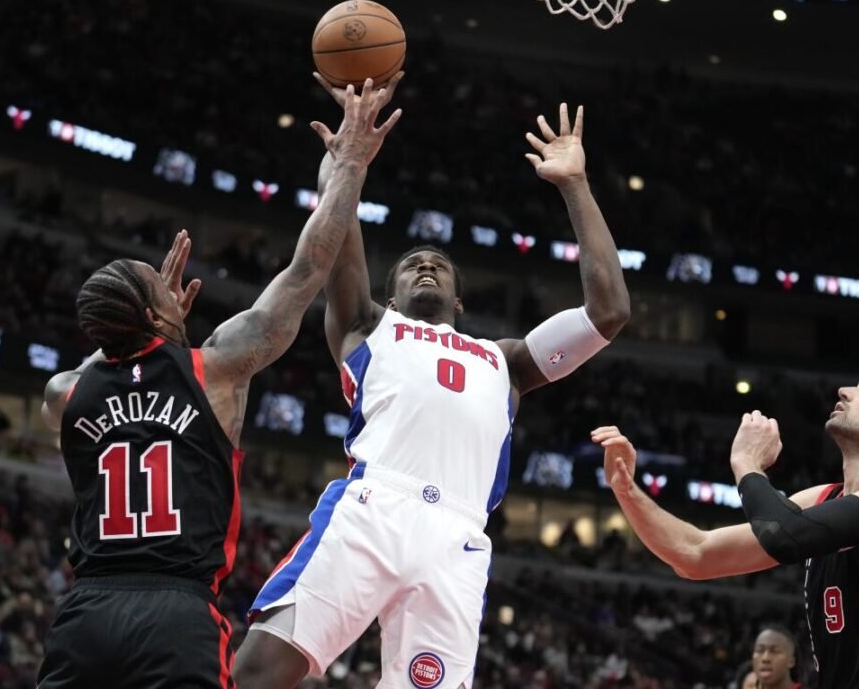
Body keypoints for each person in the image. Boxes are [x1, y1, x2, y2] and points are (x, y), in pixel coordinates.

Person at [234, 77, 631, 689]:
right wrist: (348, 160)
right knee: (259, 670)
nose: (426, 265)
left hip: (458, 539)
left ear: (460, 300)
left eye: (439, 265)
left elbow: (607, 312)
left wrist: (576, 186)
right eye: (412, 264)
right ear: (389, 292)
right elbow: (336, 238)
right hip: (373, 510)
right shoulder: (367, 326)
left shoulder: (506, 361)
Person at [35, 80, 401, 689]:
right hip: (176, 615)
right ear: (157, 315)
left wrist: (138, 321)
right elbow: (309, 266)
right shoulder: (216, 369)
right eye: (158, 286)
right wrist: (351, 165)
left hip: (86, 614)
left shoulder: (65, 393)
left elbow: (95, 367)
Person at [594, 368, 859, 689]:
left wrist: (747, 463)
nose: (844, 391)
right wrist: (626, 490)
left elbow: (784, 536)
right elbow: (695, 555)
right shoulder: (823, 498)